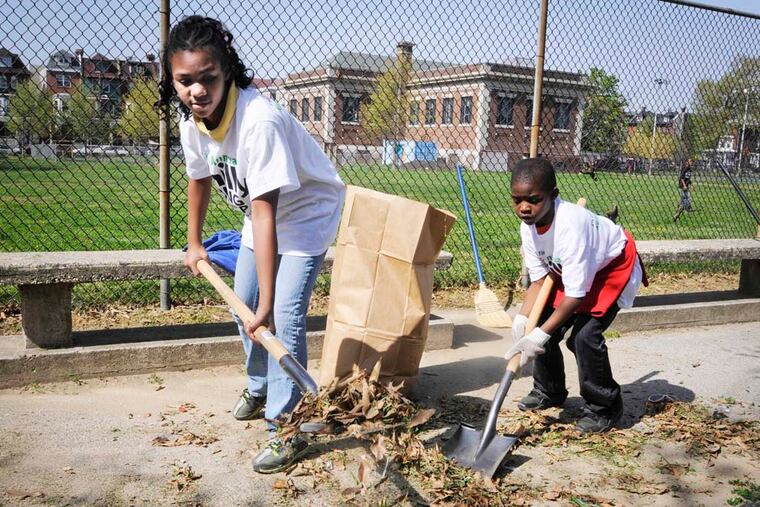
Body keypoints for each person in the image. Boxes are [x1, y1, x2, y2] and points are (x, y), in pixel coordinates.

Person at [157, 16, 345, 473]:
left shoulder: (258, 121)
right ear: (172, 80)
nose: (197, 91)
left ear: (227, 71)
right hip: (261, 216)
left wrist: (266, 307)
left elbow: (268, 213)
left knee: (281, 314)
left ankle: (288, 427)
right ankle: (260, 386)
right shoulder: (191, 121)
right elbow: (198, 179)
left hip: (305, 214)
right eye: (185, 81)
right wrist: (194, 243)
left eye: (208, 78)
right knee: (244, 303)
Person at [506, 158, 645, 434]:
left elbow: (576, 297)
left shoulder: (571, 227)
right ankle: (550, 390)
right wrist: (523, 319)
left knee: (583, 336)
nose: (524, 207)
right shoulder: (528, 226)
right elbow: (538, 281)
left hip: (612, 266)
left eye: (533, 200)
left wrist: (539, 336)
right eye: (517, 200)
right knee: (541, 318)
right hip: (573, 267)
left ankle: (605, 407)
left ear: (553, 195)